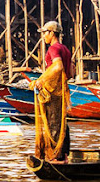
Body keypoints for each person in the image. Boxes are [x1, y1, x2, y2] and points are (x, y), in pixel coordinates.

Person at [29, 20, 72, 163]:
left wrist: (41, 80)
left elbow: (58, 66)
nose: (43, 37)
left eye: (45, 33)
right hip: (62, 92)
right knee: (61, 123)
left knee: (53, 123)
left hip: (53, 93)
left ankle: (55, 157)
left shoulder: (53, 49)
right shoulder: (65, 49)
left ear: (52, 33)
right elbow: (70, 73)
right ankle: (64, 155)